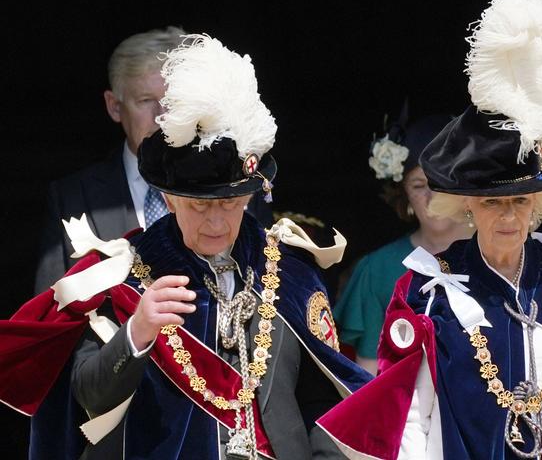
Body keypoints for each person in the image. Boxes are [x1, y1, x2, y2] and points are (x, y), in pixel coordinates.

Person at [318, 0, 542, 460]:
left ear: (539, 203)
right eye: (494, 203)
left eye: (521, 201)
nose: (510, 216)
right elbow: (410, 415)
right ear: (467, 205)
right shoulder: (425, 291)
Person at [1, 34, 372, 459]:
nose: (215, 221)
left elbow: (327, 408)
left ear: (251, 197)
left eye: (231, 204)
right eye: (199, 206)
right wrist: (137, 332)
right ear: (170, 198)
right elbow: (85, 398)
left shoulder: (293, 275)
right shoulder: (120, 275)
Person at [32, 26, 274, 295]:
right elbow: (53, 319)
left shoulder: (236, 180)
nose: (162, 117)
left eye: (173, 101)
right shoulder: (71, 197)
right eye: (146, 100)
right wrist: (133, 336)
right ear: (114, 106)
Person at [334, 105, 470, 374]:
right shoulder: (378, 269)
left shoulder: (499, 251)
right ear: (404, 194)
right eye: (419, 186)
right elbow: (369, 376)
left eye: (441, 183)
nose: (432, 198)